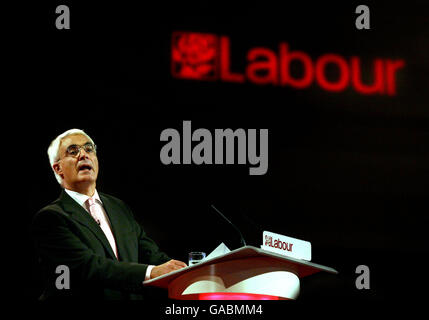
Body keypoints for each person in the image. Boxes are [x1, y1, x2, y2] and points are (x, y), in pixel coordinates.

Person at [32, 129, 187, 300]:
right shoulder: (50, 218)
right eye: (73, 151)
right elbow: (89, 266)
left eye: (89, 149)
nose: (83, 155)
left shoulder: (118, 207)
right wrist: (151, 272)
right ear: (58, 168)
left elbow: (149, 253)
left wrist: (186, 272)